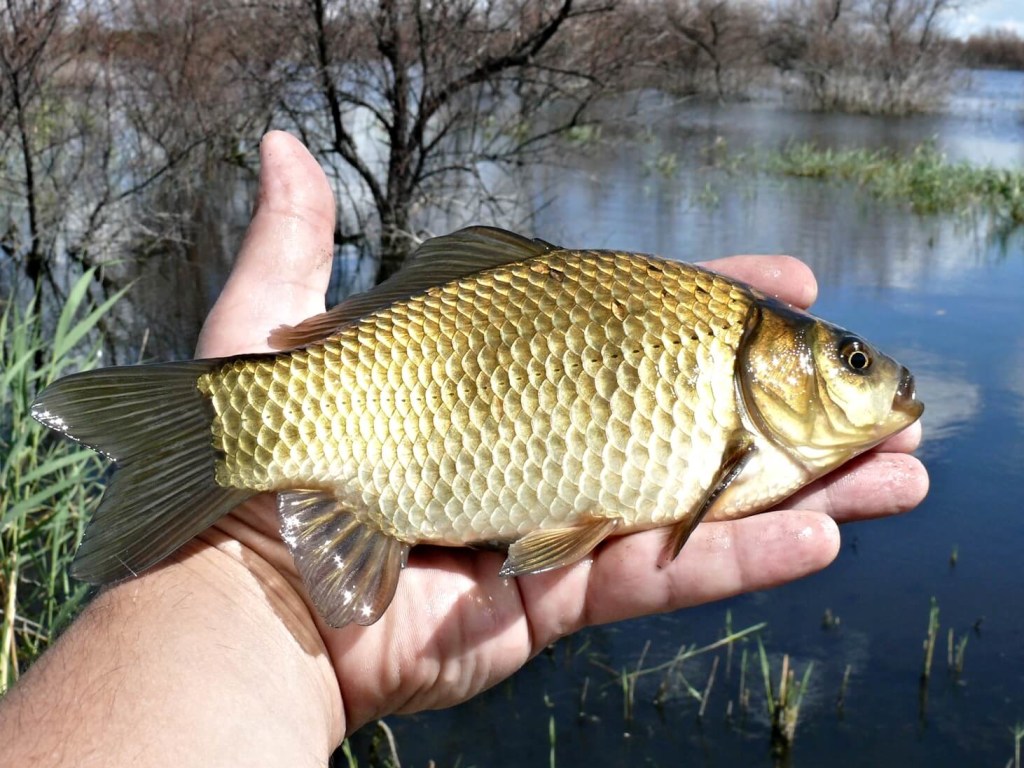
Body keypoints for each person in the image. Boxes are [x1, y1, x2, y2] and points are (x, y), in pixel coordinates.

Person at [0, 131, 927, 765]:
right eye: (850, 360)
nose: (876, 379)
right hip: (401, 399)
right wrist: (252, 569)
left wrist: (239, 598)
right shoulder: (724, 379)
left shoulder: (742, 406)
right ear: (772, 364)